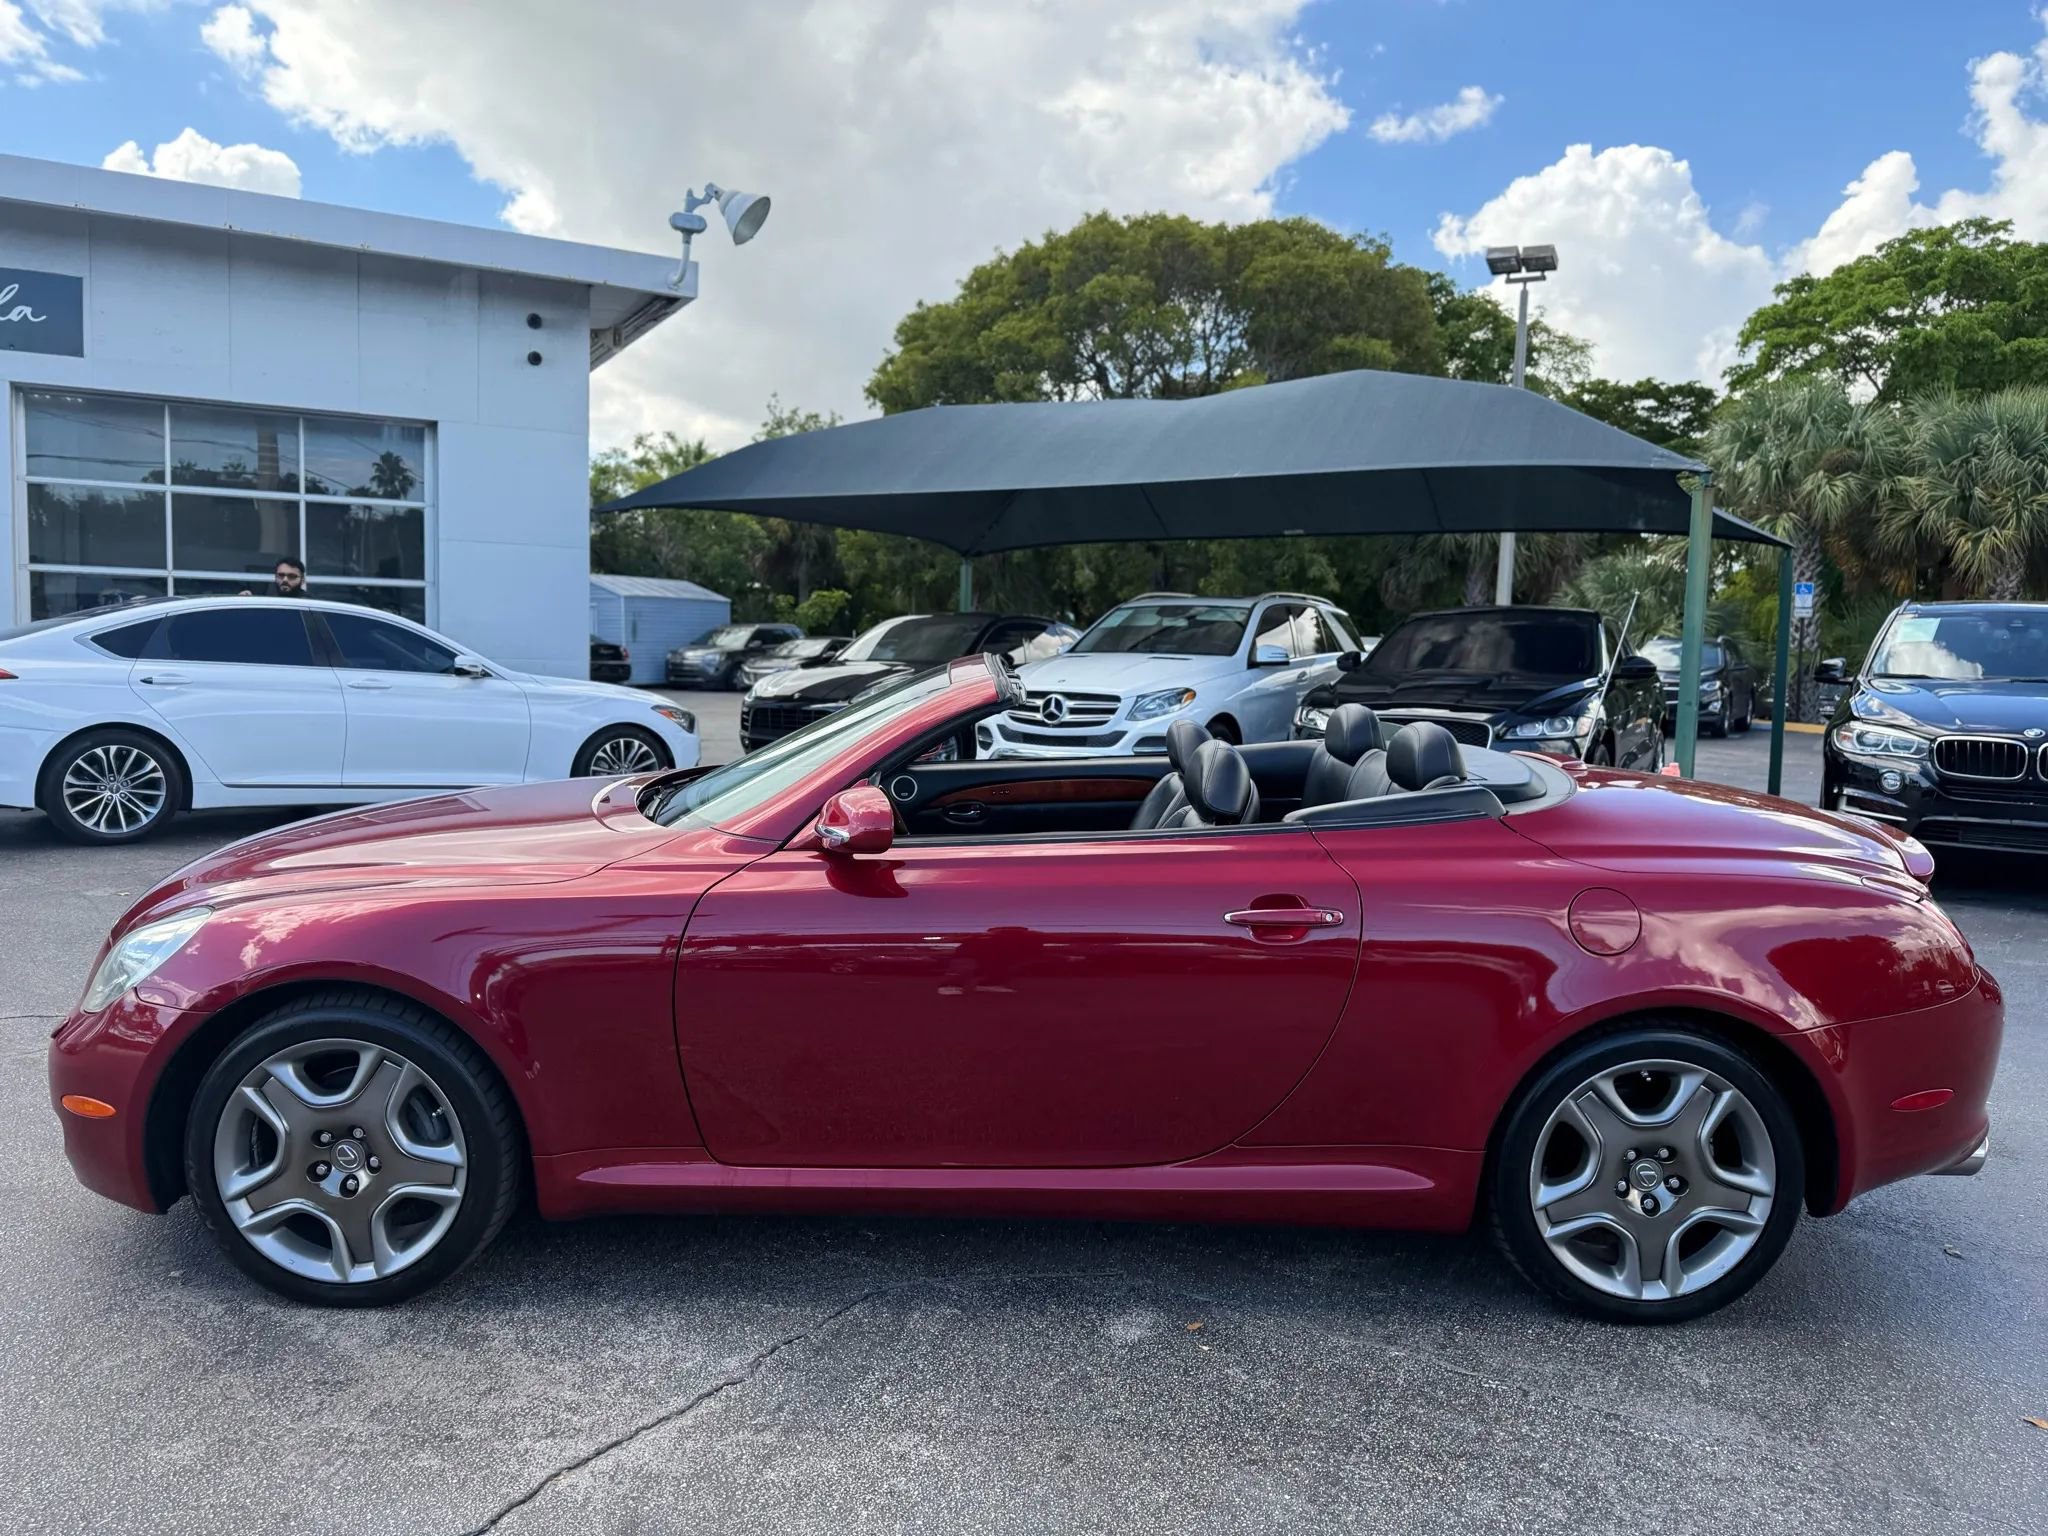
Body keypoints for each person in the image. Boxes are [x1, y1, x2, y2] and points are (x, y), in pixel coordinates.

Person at [241, 558, 308, 598]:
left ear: (302, 580)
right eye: (281, 575)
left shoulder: (307, 604)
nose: (285, 580)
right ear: (275, 577)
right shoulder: (266, 601)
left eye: (292, 576)